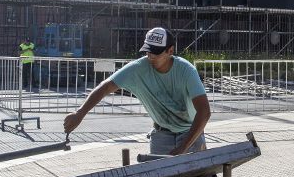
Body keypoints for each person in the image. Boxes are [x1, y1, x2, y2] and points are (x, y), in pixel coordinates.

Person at [63, 27, 211, 155]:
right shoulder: (138, 69)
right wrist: (80, 113)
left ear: (170, 51)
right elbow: (105, 87)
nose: (151, 57)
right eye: (148, 52)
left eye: (156, 53)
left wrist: (183, 147)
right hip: (161, 133)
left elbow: (204, 112)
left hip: (190, 133)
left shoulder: (186, 70)